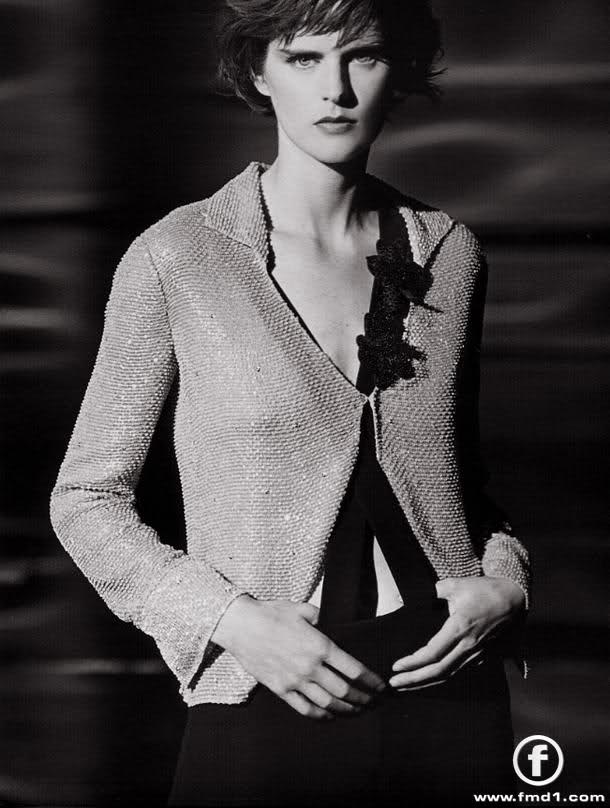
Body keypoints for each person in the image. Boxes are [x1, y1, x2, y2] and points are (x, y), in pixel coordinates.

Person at [49, 0, 532, 805]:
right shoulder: (178, 258)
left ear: (400, 71)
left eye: (363, 56)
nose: (336, 90)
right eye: (305, 59)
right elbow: (86, 500)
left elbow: (463, 488)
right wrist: (231, 621)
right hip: (268, 680)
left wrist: (509, 587)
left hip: (451, 686)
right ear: (259, 73)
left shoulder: (449, 252)